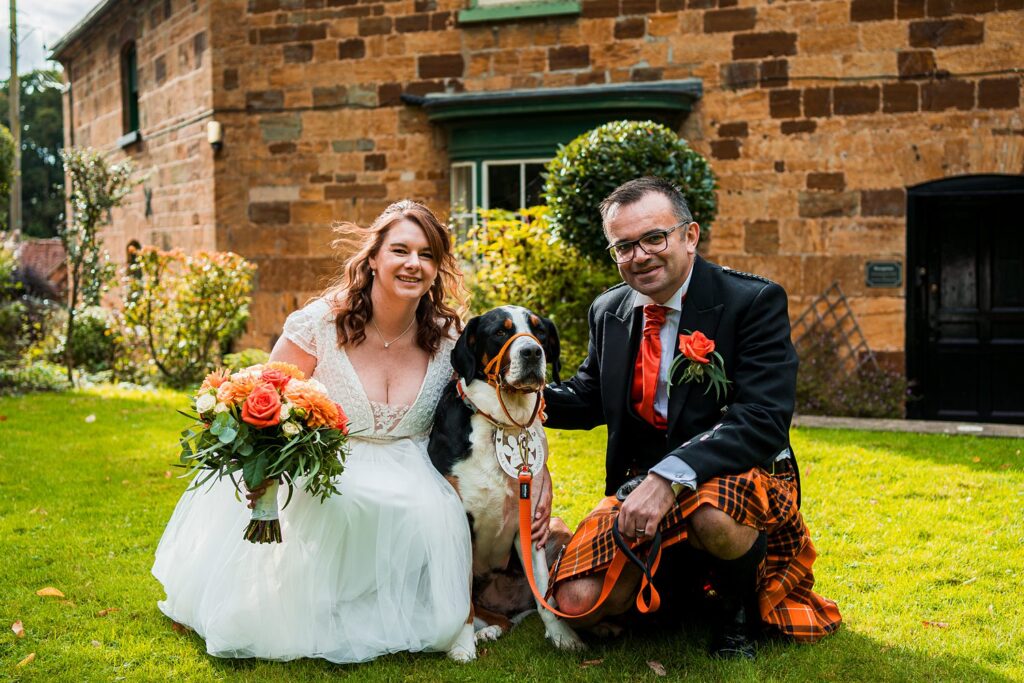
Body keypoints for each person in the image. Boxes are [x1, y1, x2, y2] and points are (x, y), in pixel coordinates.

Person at [152, 200, 475, 663]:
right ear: (374, 258)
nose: (412, 264)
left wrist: (535, 467)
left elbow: (492, 405)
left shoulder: (448, 338)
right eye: (400, 250)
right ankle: (314, 599)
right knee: (345, 499)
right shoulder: (321, 324)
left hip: (413, 466)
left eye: (426, 254)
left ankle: (394, 603)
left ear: (437, 266)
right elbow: (264, 397)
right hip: (330, 463)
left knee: (432, 511)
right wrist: (260, 473)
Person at [542, 177, 842, 659]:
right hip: (637, 486)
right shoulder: (608, 310)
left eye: (653, 238)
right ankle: (678, 586)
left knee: (714, 513)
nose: (639, 256)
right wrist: (511, 392)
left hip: (738, 472)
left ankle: (739, 612)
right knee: (577, 603)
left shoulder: (752, 302)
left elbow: (762, 419)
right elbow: (588, 396)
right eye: (623, 246)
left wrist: (668, 478)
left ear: (689, 235)